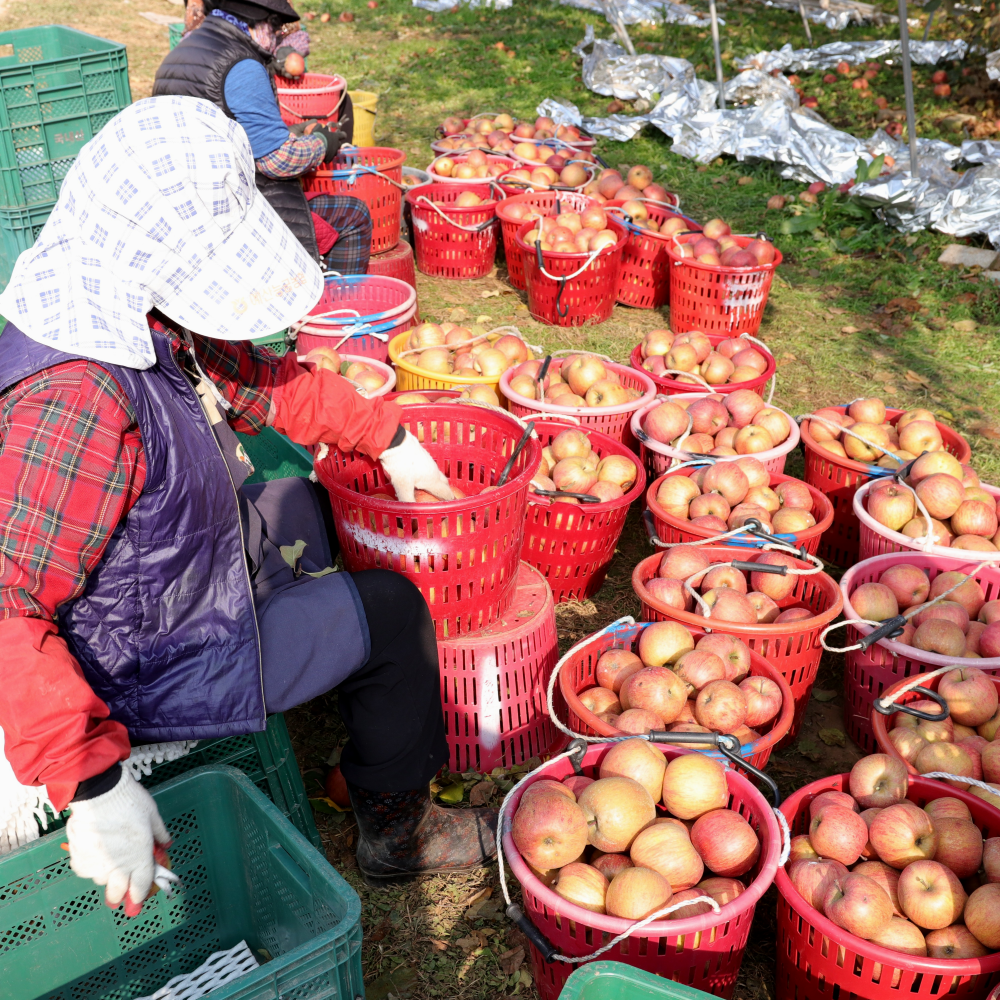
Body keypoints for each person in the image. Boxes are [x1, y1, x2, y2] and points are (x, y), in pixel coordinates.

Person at [0, 96, 497, 914]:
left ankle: (362, 745)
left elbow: (259, 383)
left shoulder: (137, 309)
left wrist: (386, 434)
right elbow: (9, 600)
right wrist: (90, 779)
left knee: (302, 503)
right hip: (141, 662)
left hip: (157, 583)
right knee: (391, 610)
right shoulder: (76, 396)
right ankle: (396, 831)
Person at [155, 0, 369, 274]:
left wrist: (289, 134)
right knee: (353, 215)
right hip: (235, 219)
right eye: (276, 28)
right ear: (258, 23)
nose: (276, 38)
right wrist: (322, 144)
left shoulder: (181, 54)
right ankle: (329, 308)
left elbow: (229, 129)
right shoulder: (242, 65)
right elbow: (277, 162)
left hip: (186, 211)